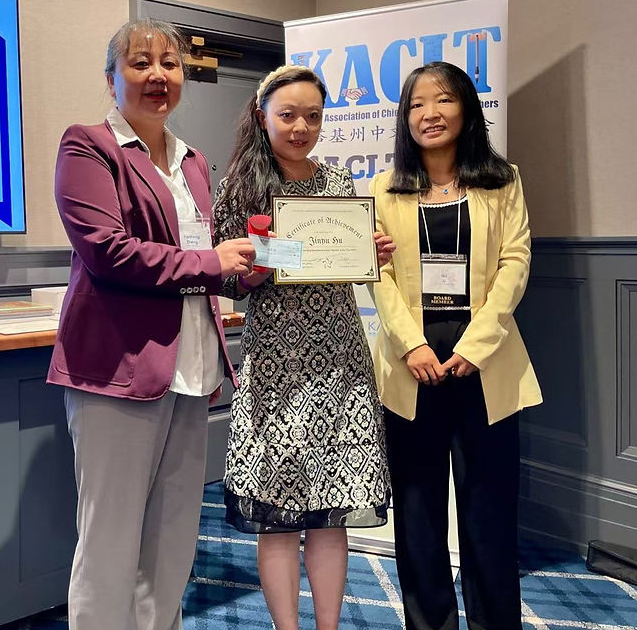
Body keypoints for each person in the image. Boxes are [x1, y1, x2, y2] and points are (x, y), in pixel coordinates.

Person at [47, 19, 257, 630]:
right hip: (118, 368)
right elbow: (107, 251)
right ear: (112, 79)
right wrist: (212, 261)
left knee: (172, 540)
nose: (158, 76)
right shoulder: (88, 145)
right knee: (109, 542)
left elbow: (206, 261)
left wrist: (264, 265)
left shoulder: (194, 161)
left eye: (170, 64)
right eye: (140, 63)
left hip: (193, 367)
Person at [212, 64, 394, 630]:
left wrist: (373, 255)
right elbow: (219, 276)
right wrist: (253, 268)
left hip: (340, 361)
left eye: (312, 117)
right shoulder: (240, 187)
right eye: (287, 115)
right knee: (278, 515)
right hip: (276, 364)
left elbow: (347, 264)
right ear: (261, 115)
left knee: (329, 511)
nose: (300, 127)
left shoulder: (339, 184)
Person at [369, 60, 543, 630]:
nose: (429, 114)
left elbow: (515, 263)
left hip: (485, 368)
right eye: (417, 104)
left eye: (442, 100)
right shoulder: (384, 187)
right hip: (410, 370)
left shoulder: (502, 179)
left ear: (466, 107)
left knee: (488, 514)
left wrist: (478, 344)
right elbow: (378, 273)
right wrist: (411, 344)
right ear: (405, 118)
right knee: (417, 515)